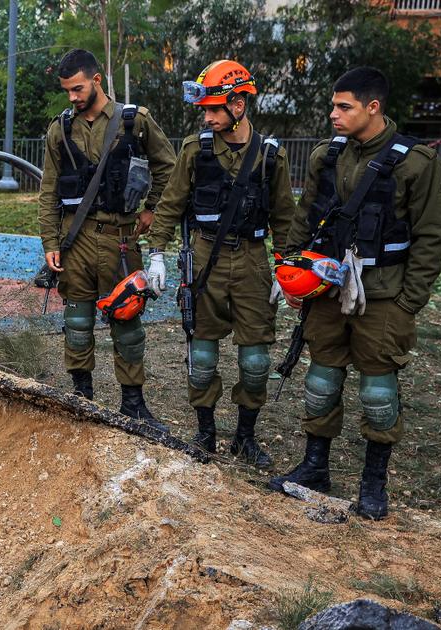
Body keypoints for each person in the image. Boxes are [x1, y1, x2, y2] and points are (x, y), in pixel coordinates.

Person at [268, 67, 441, 520]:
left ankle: (373, 482)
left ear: (373, 108)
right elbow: (305, 217)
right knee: (320, 380)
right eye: (333, 105)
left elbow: (431, 239)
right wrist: (289, 269)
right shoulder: (326, 157)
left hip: (384, 295)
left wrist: (410, 303)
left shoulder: (415, 162)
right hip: (326, 289)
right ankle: (315, 467)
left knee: (378, 392)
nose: (333, 114)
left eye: (343, 106)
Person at [146, 60, 296, 468]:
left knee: (255, 361)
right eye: (206, 110)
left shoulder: (269, 156)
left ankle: (245, 437)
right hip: (205, 257)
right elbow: (171, 203)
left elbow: (285, 216)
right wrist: (155, 253)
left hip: (252, 262)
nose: (208, 117)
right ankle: (206, 432)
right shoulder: (196, 149)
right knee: (202, 356)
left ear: (239, 104)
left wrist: (287, 265)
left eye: (215, 109)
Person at [38, 48, 176, 428]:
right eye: (67, 90)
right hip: (75, 240)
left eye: (78, 88)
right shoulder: (59, 130)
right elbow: (48, 191)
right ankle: (82, 397)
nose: (72, 97)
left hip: (120, 239)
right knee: (78, 323)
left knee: (127, 320)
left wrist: (152, 211)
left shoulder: (135, 123)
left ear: (96, 81)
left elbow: (170, 171)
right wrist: (50, 242)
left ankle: (133, 402)